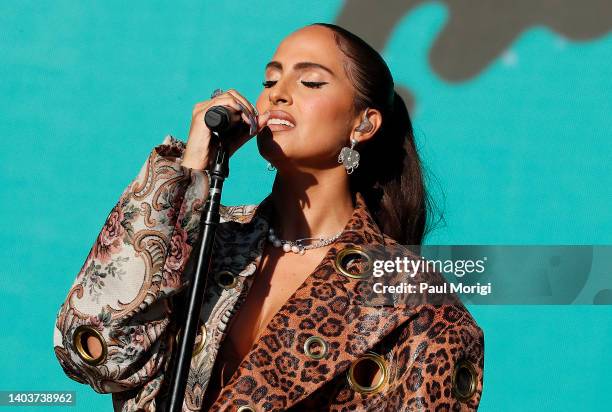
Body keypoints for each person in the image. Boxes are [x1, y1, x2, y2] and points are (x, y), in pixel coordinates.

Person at [53, 23, 484, 411]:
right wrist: (191, 168)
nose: (277, 92)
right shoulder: (203, 239)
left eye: (311, 81)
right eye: (270, 79)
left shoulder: (415, 301)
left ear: (364, 124)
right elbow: (98, 354)